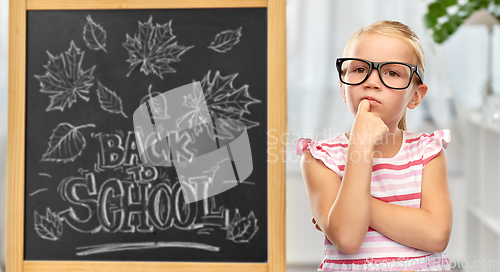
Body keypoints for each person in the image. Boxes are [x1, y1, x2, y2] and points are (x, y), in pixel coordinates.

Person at [296, 20, 452, 271]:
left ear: (415, 96)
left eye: (392, 72)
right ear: (343, 87)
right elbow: (347, 238)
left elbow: (436, 236)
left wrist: (350, 204)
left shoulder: (428, 152)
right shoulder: (320, 158)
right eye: (359, 69)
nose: (372, 81)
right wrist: (360, 146)